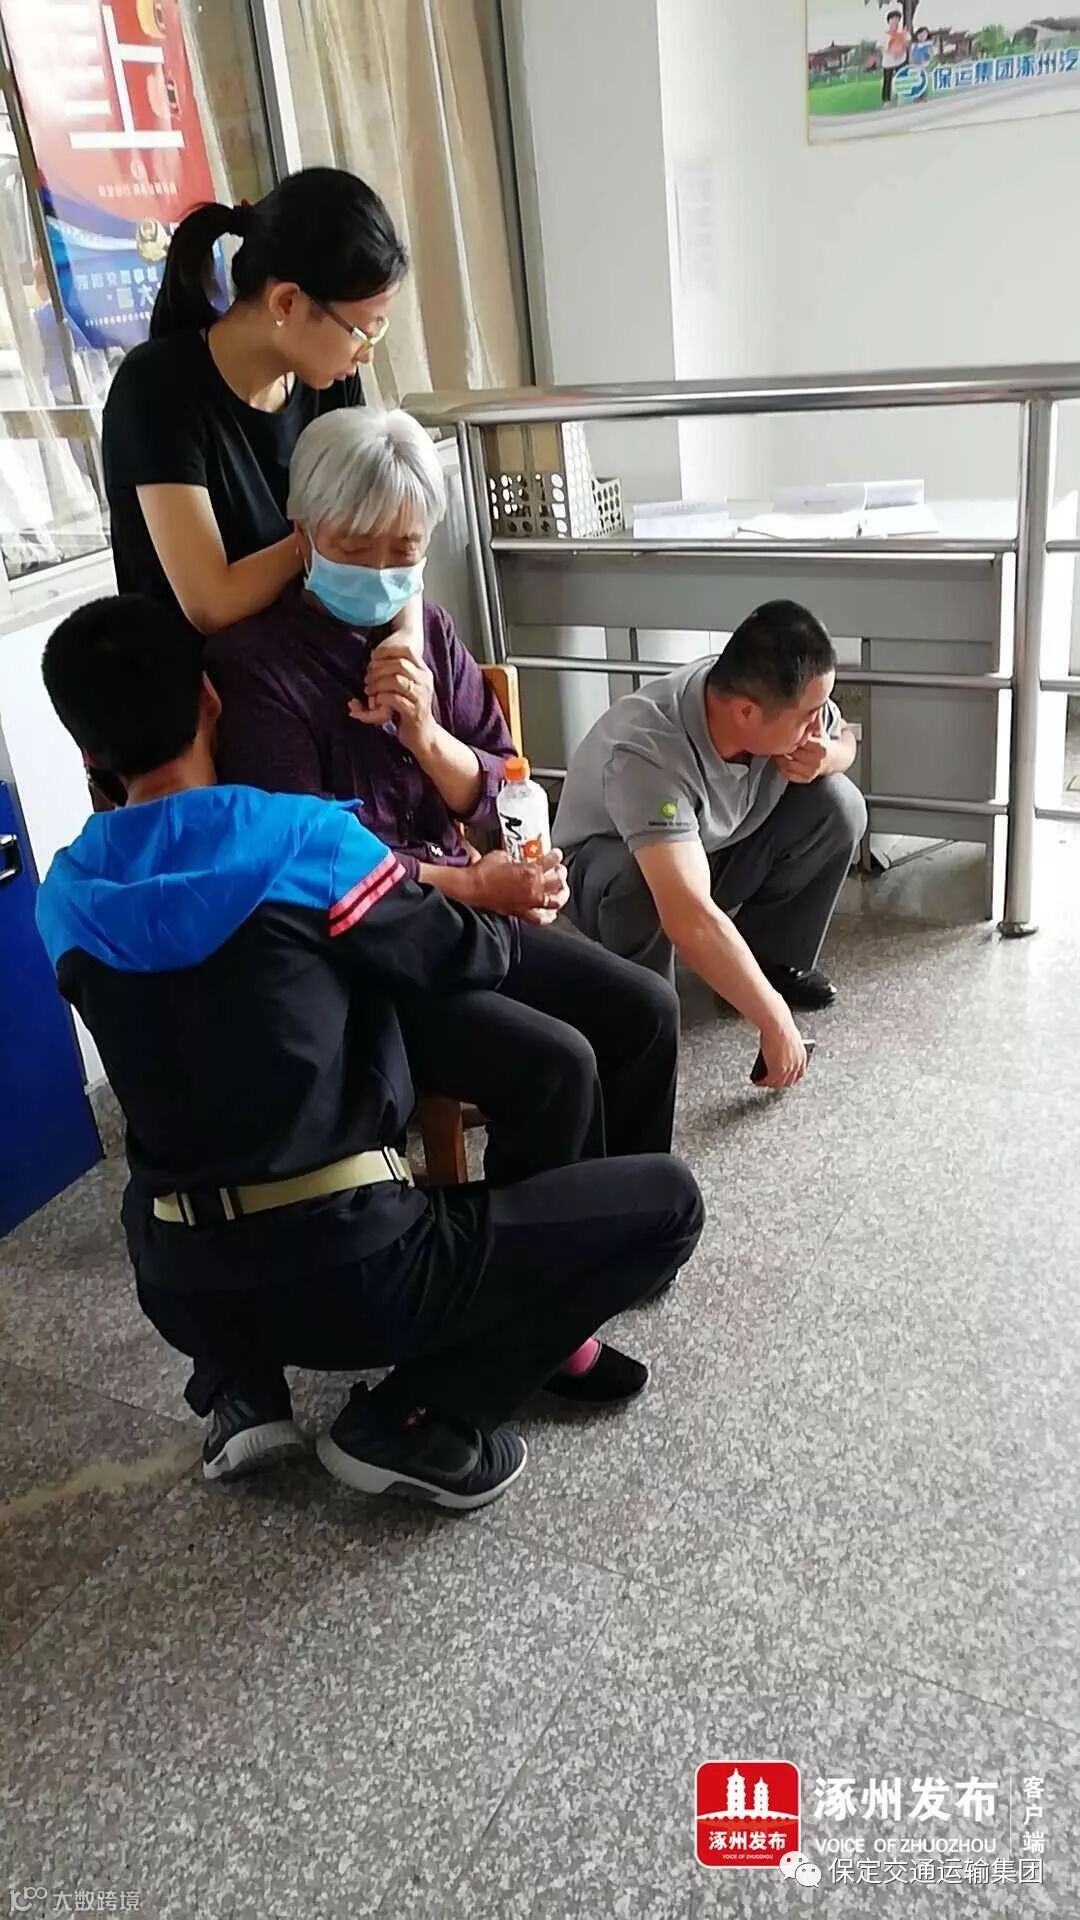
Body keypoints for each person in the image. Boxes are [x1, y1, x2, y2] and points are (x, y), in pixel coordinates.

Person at [35, 597, 704, 1508]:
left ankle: (239, 1387)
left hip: (178, 1285)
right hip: (353, 1272)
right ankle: (418, 1419)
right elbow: (460, 951)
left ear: (84, 753)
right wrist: (492, 902)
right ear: (212, 700)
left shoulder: (65, 895)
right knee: (669, 1200)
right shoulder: (300, 839)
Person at [208, 407, 681, 1188]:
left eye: (404, 550)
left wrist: (428, 736)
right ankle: (532, 1252)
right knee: (557, 1064)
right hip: (363, 954)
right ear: (303, 536)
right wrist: (473, 886)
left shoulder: (424, 630)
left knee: (646, 1009)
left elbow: (503, 788)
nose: (379, 571)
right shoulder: (256, 668)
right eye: (353, 547)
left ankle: (623, 1220)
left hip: (465, 914)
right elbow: (311, 863)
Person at [553, 602, 867, 1092]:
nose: (815, 726)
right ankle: (644, 1012)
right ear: (746, 713)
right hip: (612, 870)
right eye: (807, 719)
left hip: (713, 845)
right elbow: (688, 913)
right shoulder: (647, 750)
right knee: (645, 885)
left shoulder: (775, 695)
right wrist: (775, 1021)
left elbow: (842, 736)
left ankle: (768, 962)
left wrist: (830, 758)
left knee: (838, 805)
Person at [102, 167, 406, 634]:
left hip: (311, 654)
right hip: (206, 673)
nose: (366, 354)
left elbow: (385, 520)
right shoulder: (155, 389)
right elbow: (211, 603)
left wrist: (407, 637)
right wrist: (323, 538)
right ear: (286, 303)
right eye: (361, 332)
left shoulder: (329, 379)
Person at [881, 9, 911, 103]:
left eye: (897, 20)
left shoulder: (903, 33)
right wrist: (893, 51)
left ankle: (902, 97)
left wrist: (902, 46)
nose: (895, 22)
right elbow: (883, 49)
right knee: (887, 81)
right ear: (889, 21)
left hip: (901, 61)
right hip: (888, 62)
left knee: (901, 79)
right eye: (893, 20)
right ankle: (886, 100)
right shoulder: (884, 35)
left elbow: (907, 44)